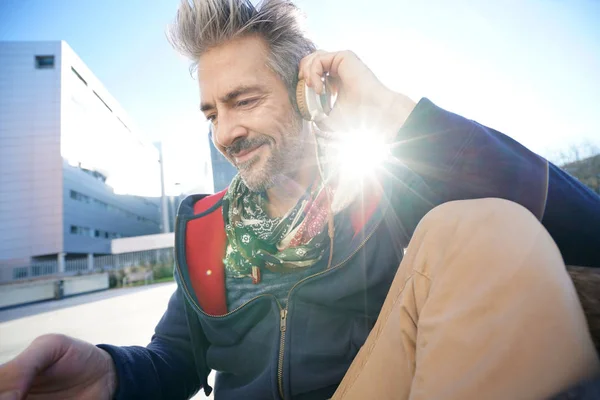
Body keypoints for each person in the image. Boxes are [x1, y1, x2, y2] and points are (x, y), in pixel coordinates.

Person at [1, 0, 600, 399]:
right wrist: (108, 372)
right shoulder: (203, 228)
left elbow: (587, 235)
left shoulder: (392, 195)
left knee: (485, 224)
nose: (224, 132)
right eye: (211, 112)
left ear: (307, 95)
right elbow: (175, 359)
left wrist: (391, 110)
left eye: (244, 100)